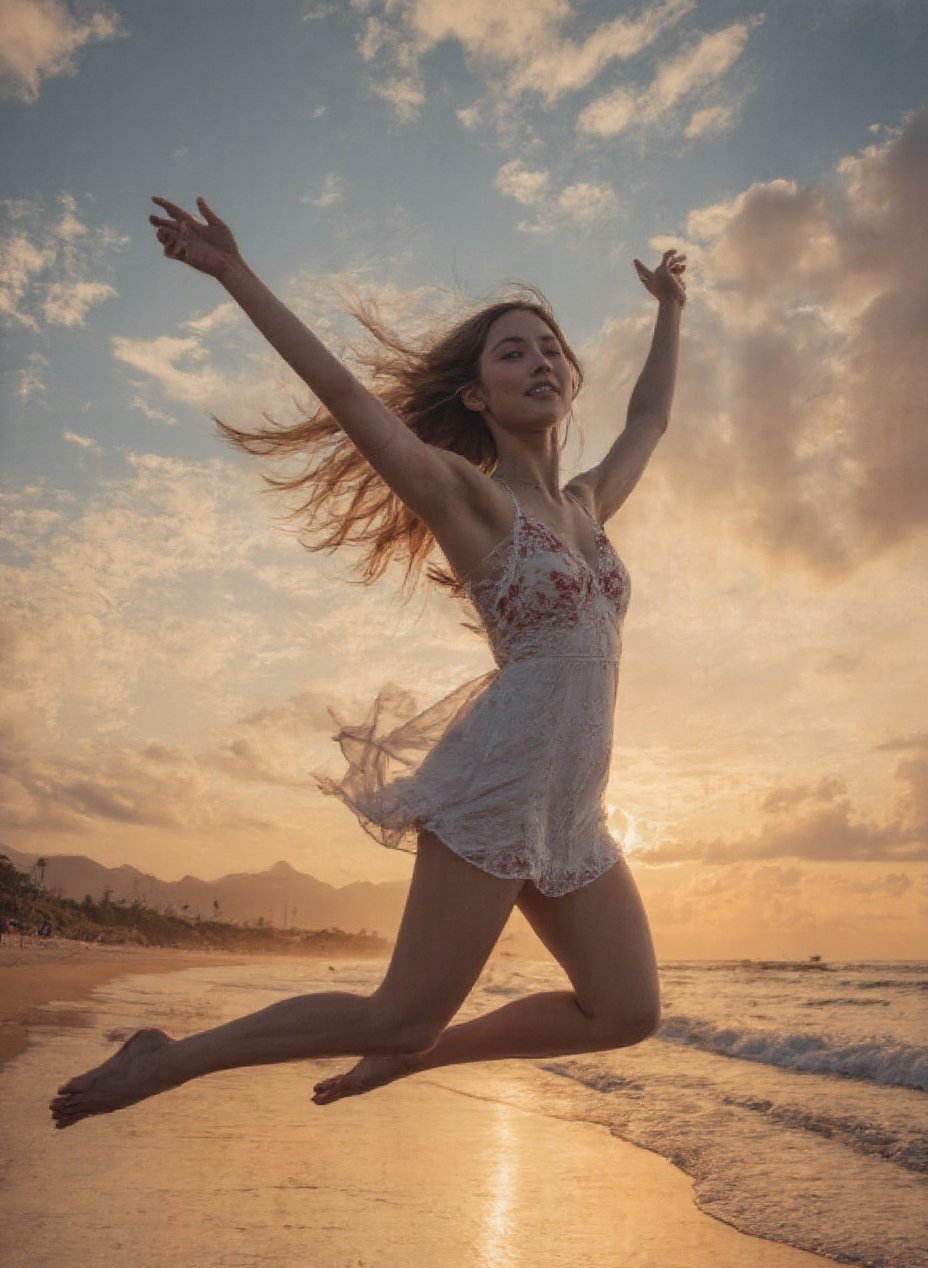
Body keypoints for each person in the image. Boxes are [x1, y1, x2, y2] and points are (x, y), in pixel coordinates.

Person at [50, 195, 685, 1130]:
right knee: (401, 1010)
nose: (538, 360)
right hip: (502, 781)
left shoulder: (589, 506)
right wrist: (233, 274)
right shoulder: (467, 496)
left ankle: (412, 1061)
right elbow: (351, 402)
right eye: (511, 351)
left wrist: (671, 309)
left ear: (572, 376)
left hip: (575, 804)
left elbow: (653, 419)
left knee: (627, 1011)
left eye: (550, 348)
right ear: (476, 395)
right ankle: (171, 1058)